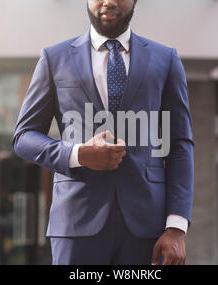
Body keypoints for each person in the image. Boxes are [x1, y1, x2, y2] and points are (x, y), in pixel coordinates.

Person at [12, 0, 194, 265]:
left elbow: (179, 145)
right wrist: (78, 154)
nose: (108, 1)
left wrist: (176, 226)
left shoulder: (166, 60)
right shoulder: (54, 58)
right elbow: (24, 137)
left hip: (147, 228)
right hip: (76, 223)